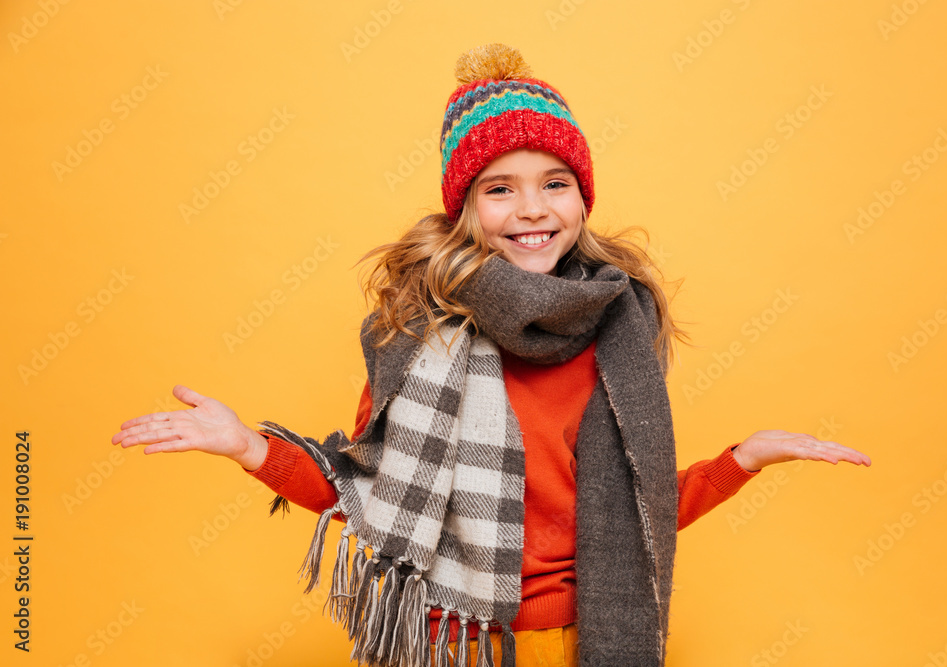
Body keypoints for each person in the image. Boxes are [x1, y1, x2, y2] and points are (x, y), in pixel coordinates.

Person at [112, 43, 871, 667]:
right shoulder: (419, 338)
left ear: (583, 198)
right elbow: (370, 494)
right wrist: (250, 446)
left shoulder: (619, 332)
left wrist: (744, 459)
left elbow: (638, 511)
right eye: (499, 188)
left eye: (556, 183)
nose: (533, 208)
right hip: (456, 645)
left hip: (588, 643)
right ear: (465, 208)